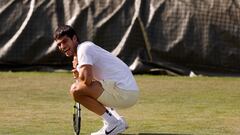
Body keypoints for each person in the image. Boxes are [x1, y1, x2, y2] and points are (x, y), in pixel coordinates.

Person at [53, 25, 139, 135]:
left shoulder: (84, 48)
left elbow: (86, 81)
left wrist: (79, 77)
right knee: (83, 88)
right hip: (128, 93)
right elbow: (90, 80)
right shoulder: (82, 53)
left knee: (75, 90)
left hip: (124, 93)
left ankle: (113, 124)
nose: (62, 46)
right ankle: (117, 120)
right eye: (59, 44)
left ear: (74, 38)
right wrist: (80, 72)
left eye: (65, 41)